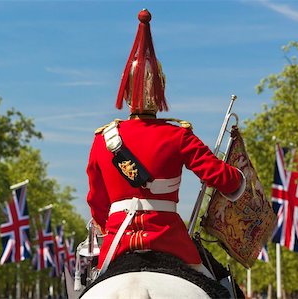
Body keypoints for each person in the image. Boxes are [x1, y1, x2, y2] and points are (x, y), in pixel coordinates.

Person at [86, 9, 245, 278]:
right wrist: (238, 176)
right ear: (161, 89)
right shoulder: (178, 135)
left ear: (125, 92)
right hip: (171, 241)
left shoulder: (103, 140)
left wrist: (110, 225)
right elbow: (222, 178)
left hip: (117, 242)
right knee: (223, 285)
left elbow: (97, 202)